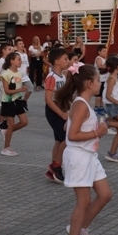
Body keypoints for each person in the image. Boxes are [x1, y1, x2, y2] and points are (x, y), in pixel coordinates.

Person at [51, 63, 112, 235]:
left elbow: (68, 124)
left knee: (105, 195)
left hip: (89, 156)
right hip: (78, 157)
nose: (100, 83)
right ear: (88, 83)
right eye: (97, 80)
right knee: (83, 202)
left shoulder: (82, 104)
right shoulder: (80, 104)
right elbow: (72, 134)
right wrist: (97, 132)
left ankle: (81, 229)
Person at [43, 48, 70, 182]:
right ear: (57, 61)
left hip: (61, 109)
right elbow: (48, 99)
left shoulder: (62, 76)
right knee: (66, 138)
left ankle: (53, 168)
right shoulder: (51, 77)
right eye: (65, 59)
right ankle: (57, 166)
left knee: (59, 140)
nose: (68, 61)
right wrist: (61, 113)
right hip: (53, 111)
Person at [0, 52, 28, 156]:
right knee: (11, 124)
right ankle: (6, 148)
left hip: (18, 100)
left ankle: (6, 132)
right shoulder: (6, 74)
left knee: (24, 122)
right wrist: (21, 89)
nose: (20, 61)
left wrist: (22, 90)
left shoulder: (20, 73)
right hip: (8, 101)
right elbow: (7, 91)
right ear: (12, 61)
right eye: (18, 59)